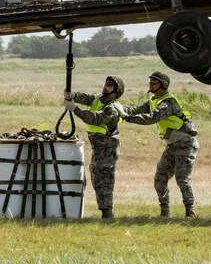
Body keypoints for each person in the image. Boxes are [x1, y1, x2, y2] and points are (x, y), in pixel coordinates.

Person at [119, 70, 199, 218]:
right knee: (160, 178)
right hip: (172, 146)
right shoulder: (153, 100)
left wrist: (128, 118)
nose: (150, 84)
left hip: (185, 145)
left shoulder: (167, 103)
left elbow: (151, 118)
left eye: (154, 82)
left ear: (163, 85)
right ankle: (164, 213)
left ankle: (190, 213)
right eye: (150, 81)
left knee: (182, 179)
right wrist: (118, 109)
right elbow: (136, 109)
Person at [67, 75, 125, 219]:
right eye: (106, 83)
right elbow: (87, 98)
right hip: (99, 147)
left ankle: (107, 213)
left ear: (116, 92)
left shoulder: (113, 109)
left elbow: (95, 118)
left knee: (103, 179)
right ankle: (105, 211)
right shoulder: (99, 99)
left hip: (107, 148)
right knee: (97, 177)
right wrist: (73, 95)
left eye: (111, 85)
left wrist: (75, 109)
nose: (106, 86)